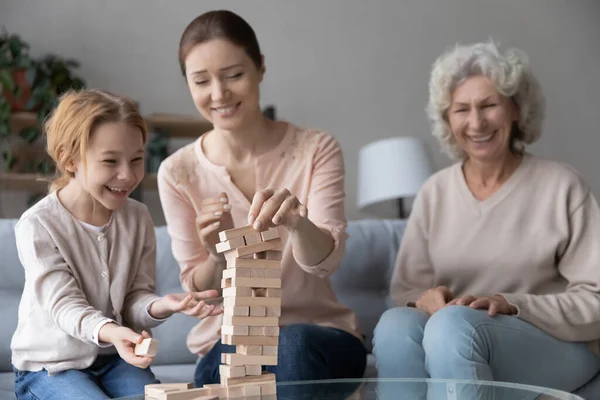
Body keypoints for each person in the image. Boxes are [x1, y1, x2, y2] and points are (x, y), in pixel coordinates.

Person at [372, 41, 600, 397]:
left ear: (515, 109)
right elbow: (404, 293)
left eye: (489, 105)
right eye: (462, 109)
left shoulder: (562, 185)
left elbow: (596, 297)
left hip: (556, 346)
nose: (476, 122)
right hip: (455, 338)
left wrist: (514, 304)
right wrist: (425, 301)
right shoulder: (435, 192)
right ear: (448, 119)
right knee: (393, 326)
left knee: (451, 327)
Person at [157, 9, 367, 387]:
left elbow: (326, 261)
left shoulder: (316, 148)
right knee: (260, 356)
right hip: (226, 344)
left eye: (234, 75)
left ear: (261, 68)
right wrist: (216, 253)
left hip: (318, 335)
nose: (218, 94)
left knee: (290, 347)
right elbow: (199, 292)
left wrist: (298, 224)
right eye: (201, 81)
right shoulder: (178, 172)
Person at [10, 89, 222, 400]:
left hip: (113, 361)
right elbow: (64, 306)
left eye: (137, 159)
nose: (127, 174)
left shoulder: (137, 218)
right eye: (110, 161)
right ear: (70, 161)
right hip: (50, 367)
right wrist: (113, 332)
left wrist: (161, 305)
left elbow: (134, 298)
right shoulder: (38, 225)